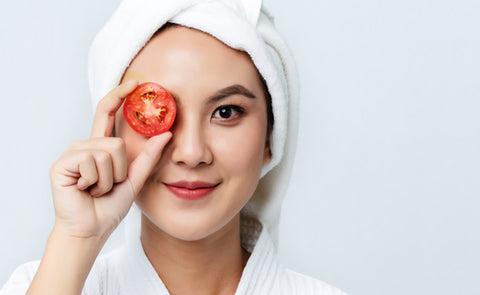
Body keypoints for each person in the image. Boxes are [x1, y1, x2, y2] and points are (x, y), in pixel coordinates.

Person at [1, 0, 349, 294]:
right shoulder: (43, 284)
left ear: (271, 138)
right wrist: (76, 240)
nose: (192, 153)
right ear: (111, 132)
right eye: (151, 111)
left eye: (226, 112)